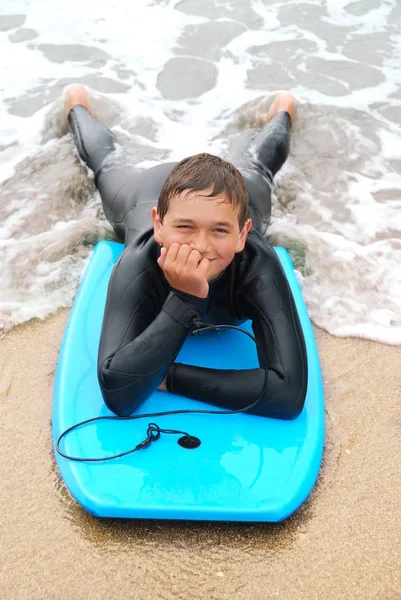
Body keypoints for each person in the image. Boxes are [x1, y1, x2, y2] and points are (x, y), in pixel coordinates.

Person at [65, 85, 307, 419]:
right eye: (184, 228)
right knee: (104, 164)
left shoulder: (257, 265)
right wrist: (185, 300)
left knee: (260, 165)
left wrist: (166, 376)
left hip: (236, 193)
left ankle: (283, 108)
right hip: (146, 191)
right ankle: (77, 104)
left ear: (242, 234)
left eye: (221, 231)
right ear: (159, 226)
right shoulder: (140, 261)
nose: (201, 246)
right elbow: (118, 394)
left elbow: (289, 395)